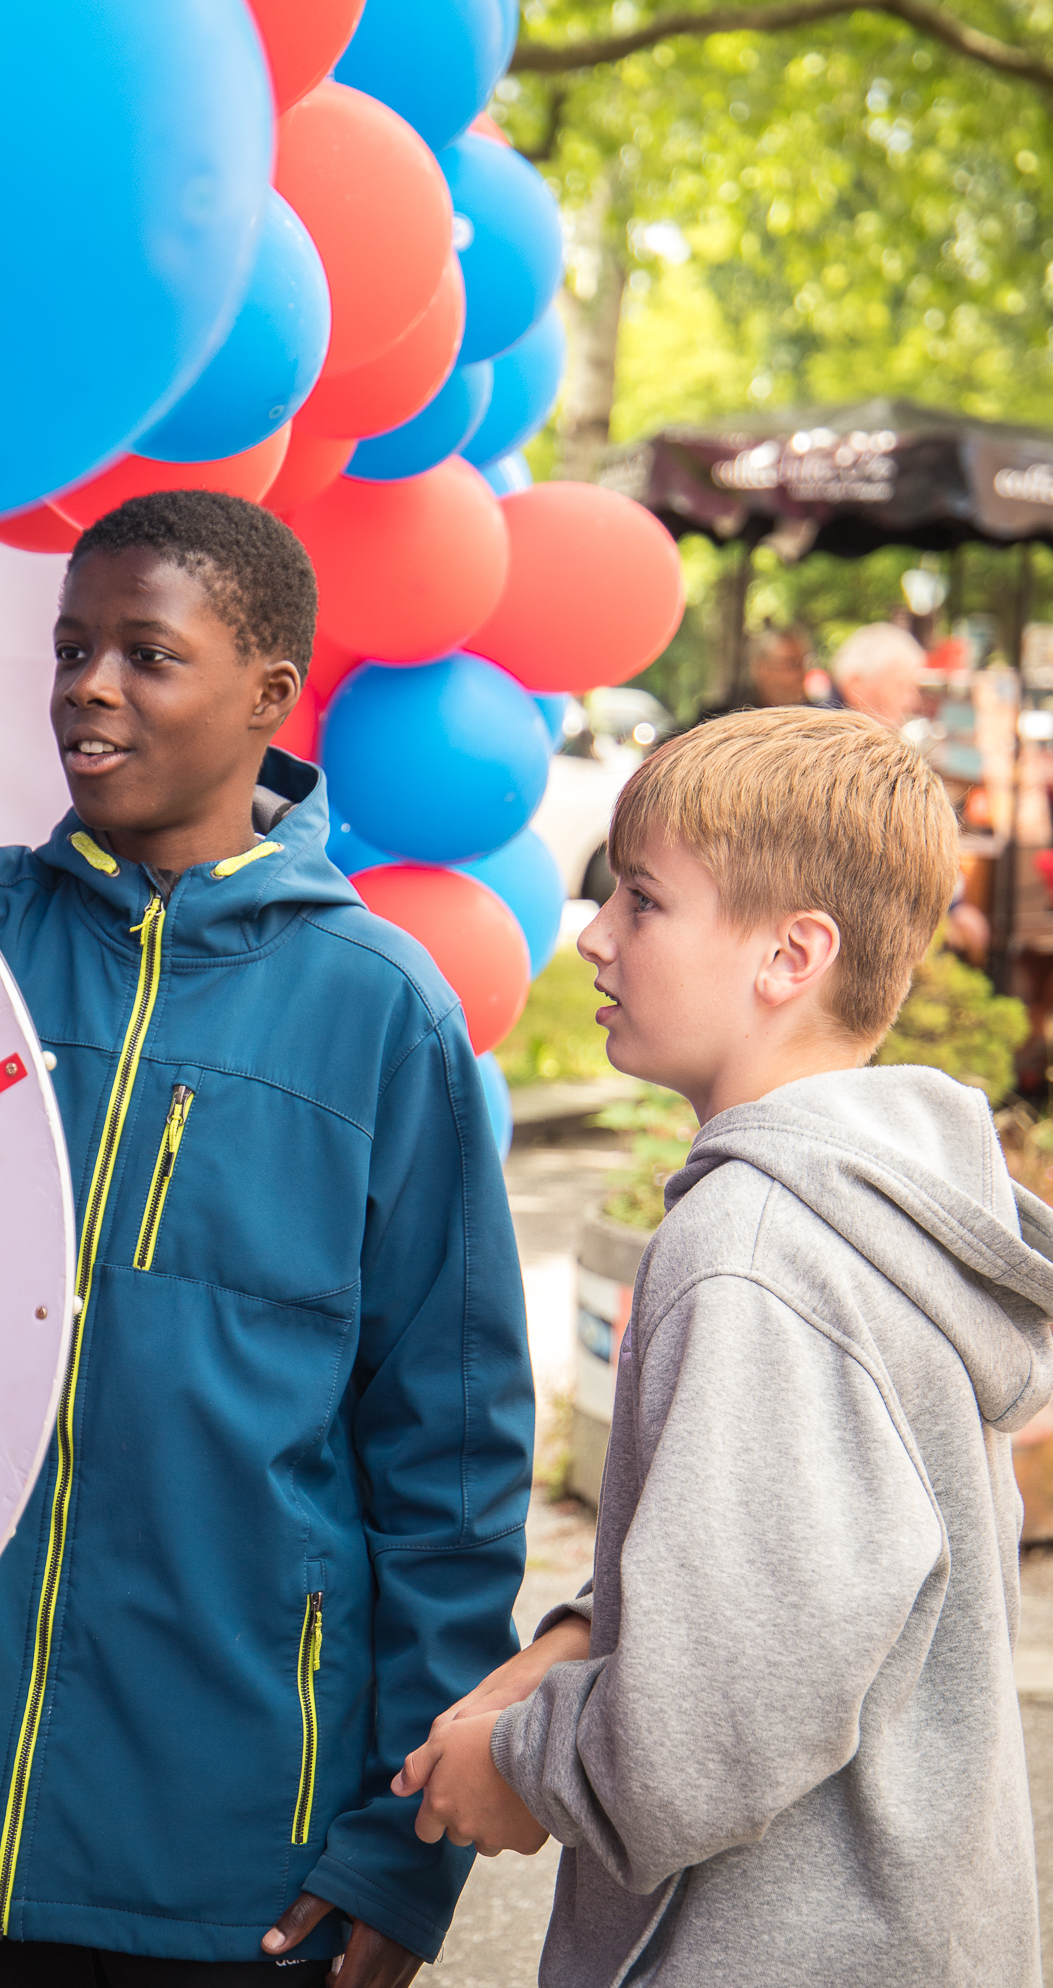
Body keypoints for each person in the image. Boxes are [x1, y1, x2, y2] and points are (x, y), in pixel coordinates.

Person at [0, 493, 534, 1986]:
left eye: (147, 654)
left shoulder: (379, 1007)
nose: (88, 688)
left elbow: (451, 1456)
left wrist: (404, 1851)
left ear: (270, 692)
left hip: (233, 1843)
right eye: (71, 647)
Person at [392, 707, 1052, 1986]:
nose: (594, 933)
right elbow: (818, 1567)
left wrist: (526, 1762)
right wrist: (581, 1634)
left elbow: (718, 1718)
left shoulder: (751, 1247)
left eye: (642, 900)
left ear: (791, 954)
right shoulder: (871, 1208)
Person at [696, 623, 810, 720]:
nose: (800, 674)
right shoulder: (722, 718)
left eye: (803, 663)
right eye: (792, 664)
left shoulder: (811, 718)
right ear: (761, 668)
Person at [832, 619, 924, 728]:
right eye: (900, 686)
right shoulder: (824, 732)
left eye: (913, 689)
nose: (912, 703)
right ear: (857, 687)